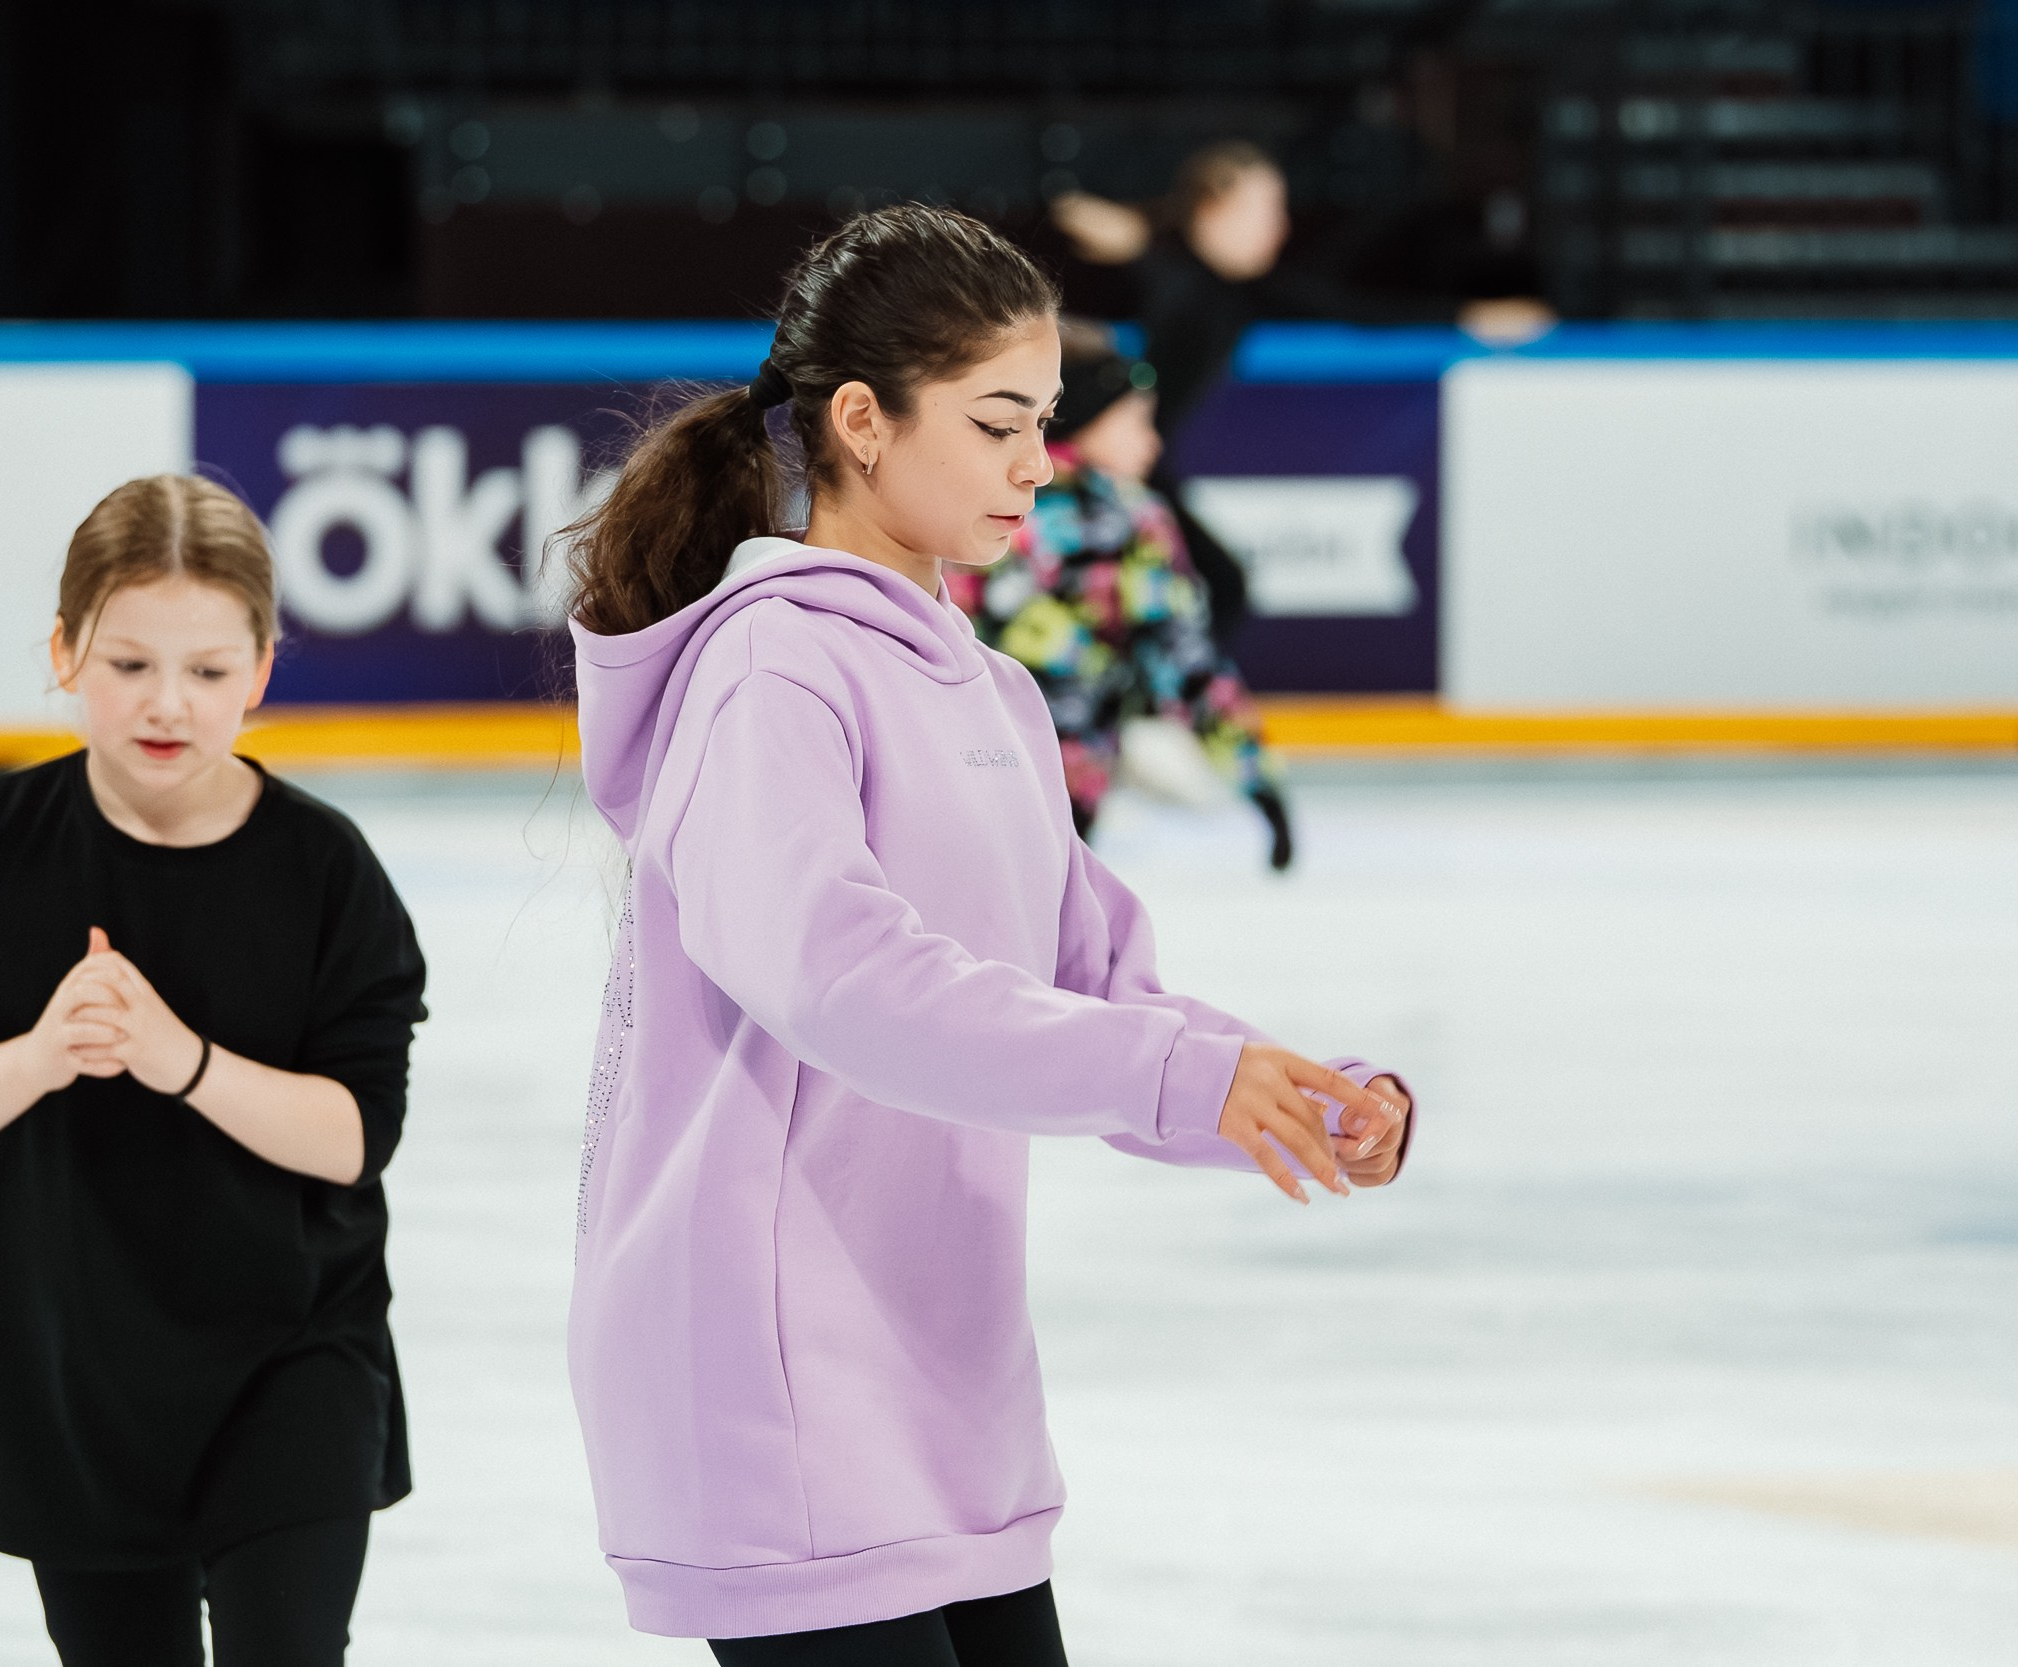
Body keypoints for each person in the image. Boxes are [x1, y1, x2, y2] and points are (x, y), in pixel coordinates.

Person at [562, 204, 1416, 1666]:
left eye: (1048, 420)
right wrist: (1165, 1071)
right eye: (1000, 419)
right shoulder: (771, 669)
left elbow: (1094, 982)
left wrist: (1278, 1085)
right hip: (772, 1386)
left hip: (942, 1381)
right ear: (863, 421)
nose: (1039, 460)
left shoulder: (993, 692)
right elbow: (841, 976)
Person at [0, 475, 427, 1667]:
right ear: (64, 651)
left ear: (263, 669)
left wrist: (182, 1061)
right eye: (128, 664)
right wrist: (39, 1054)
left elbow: (352, 1135)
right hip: (74, 1364)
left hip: (294, 1357)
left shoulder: (327, 870)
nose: (167, 703)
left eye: (210, 671)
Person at [1053, 140, 1552, 644]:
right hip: (1097, 465)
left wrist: (1467, 318)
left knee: (1204, 587)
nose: (1281, 227)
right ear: (1213, 209)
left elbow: (1348, 309)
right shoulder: (1170, 277)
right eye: (1266, 209)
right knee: (1208, 587)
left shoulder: (1239, 287)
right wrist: (1142, 244)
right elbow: (1161, 287)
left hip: (1141, 469)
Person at [944, 322, 1294, 867]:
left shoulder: (972, 497)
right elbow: (1184, 657)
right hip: (1036, 794)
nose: (1152, 441)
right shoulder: (1130, 518)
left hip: (978, 784)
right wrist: (1260, 784)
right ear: (1084, 418)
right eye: (1136, 421)